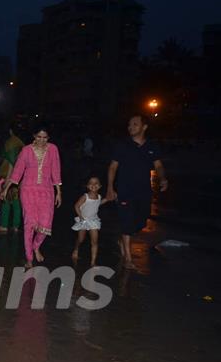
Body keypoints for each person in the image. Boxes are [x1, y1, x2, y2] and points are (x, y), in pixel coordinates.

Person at [106, 115, 168, 269]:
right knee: (126, 222)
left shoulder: (151, 146)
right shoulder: (122, 145)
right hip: (124, 190)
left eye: (135, 124)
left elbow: (158, 165)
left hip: (143, 191)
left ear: (144, 127)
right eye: (129, 124)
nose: (130, 127)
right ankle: (128, 258)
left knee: (141, 220)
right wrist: (110, 187)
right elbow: (113, 167)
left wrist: (163, 178)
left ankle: (123, 239)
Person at [0, 125, 62, 268]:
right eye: (38, 137)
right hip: (28, 190)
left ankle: (36, 246)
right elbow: (17, 171)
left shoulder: (53, 149)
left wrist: (59, 192)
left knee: (45, 224)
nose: (41, 140)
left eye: (45, 137)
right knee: (30, 224)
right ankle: (29, 257)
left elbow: (56, 170)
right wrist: (6, 189)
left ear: (49, 137)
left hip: (47, 191)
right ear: (34, 136)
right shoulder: (26, 150)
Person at [71, 176, 109, 266]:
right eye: (91, 183)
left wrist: (107, 199)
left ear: (99, 186)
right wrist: (80, 216)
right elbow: (76, 206)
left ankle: (93, 262)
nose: (93, 185)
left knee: (95, 242)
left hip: (93, 221)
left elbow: (98, 203)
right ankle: (76, 249)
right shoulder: (85, 196)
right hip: (83, 220)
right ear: (88, 186)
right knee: (81, 239)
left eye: (96, 183)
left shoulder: (99, 197)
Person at [0, 126, 24, 233]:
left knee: (6, 202)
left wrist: (7, 181)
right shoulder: (22, 144)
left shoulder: (10, 143)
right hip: (20, 179)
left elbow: (11, 164)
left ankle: (4, 225)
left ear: (10, 130)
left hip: (10, 177)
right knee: (17, 203)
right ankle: (16, 226)